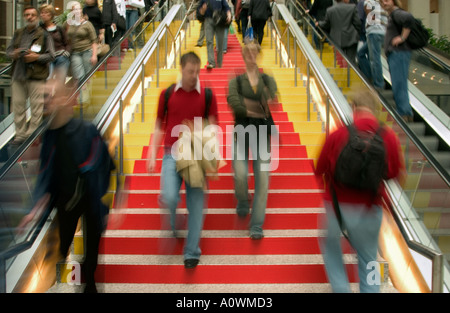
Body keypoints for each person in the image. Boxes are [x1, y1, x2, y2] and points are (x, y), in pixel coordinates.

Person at [17, 82, 115, 293]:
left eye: (50, 97)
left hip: (90, 199)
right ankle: (70, 271)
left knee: (91, 252)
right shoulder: (50, 137)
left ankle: (89, 283)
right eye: (44, 98)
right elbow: (44, 174)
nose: (46, 102)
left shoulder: (86, 130)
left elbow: (106, 162)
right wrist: (34, 210)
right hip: (66, 201)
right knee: (63, 246)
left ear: (65, 100)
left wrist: (112, 194)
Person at [315, 89, 405, 293]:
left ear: (353, 108)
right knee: (369, 258)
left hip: (337, 208)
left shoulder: (339, 133)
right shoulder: (388, 137)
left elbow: (319, 168)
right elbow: (394, 174)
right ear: (375, 110)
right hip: (370, 209)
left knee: (330, 248)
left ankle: (341, 289)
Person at [146, 52, 219, 269]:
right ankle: (174, 222)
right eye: (190, 72)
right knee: (168, 196)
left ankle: (192, 251)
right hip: (171, 153)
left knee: (196, 204)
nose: (194, 76)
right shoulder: (167, 94)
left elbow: (213, 127)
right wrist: (152, 153)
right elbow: (159, 125)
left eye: (196, 72)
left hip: (196, 155)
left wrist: (203, 140)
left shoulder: (207, 95)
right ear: (181, 69)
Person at [227, 42, 278, 240]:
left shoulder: (267, 78)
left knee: (262, 180)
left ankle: (256, 224)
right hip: (241, 131)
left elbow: (272, 99)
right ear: (242, 54)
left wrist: (247, 104)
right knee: (240, 174)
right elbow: (235, 105)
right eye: (247, 51)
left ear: (258, 54)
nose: (251, 54)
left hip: (263, 132)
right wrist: (257, 105)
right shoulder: (236, 80)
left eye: (254, 51)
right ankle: (241, 199)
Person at [6, 6, 55, 145]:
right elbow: (8, 51)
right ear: (24, 16)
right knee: (18, 106)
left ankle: (31, 136)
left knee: (36, 107)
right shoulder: (18, 33)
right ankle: (20, 135)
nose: (30, 17)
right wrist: (14, 54)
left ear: (37, 17)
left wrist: (36, 57)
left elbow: (51, 55)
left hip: (36, 76)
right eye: (27, 15)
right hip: (18, 74)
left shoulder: (44, 34)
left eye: (33, 15)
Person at [380, 0, 413, 122]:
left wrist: (402, 37)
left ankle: (403, 112)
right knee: (399, 82)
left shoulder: (396, 13)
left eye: (387, 0)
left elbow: (408, 18)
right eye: (381, 1)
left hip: (399, 53)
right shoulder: (392, 15)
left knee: (399, 83)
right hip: (397, 53)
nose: (384, 3)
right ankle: (404, 112)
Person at [65, 1, 98, 88]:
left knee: (88, 75)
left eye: (79, 9)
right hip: (75, 52)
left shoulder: (87, 24)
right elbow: (66, 37)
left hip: (87, 51)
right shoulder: (69, 23)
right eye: (75, 9)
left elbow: (94, 40)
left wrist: (94, 55)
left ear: (81, 10)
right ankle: (82, 98)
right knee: (78, 76)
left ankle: (88, 97)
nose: (77, 11)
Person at [39, 4, 70, 84]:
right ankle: (48, 96)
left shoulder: (59, 28)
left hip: (61, 56)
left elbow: (67, 42)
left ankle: (59, 96)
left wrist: (67, 52)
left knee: (60, 81)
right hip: (48, 58)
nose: (43, 15)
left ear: (51, 14)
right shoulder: (40, 29)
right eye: (41, 13)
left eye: (45, 12)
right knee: (48, 79)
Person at [197, 0, 231, 69]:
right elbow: (199, 12)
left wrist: (229, 13)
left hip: (219, 20)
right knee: (209, 41)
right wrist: (202, 10)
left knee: (220, 42)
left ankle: (219, 63)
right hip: (208, 20)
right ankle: (211, 63)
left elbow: (226, 7)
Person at [364, 0, 387, 89]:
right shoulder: (383, 2)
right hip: (383, 32)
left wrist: (368, 24)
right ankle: (369, 77)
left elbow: (370, 17)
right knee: (361, 53)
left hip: (374, 31)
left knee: (374, 59)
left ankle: (378, 84)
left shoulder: (369, 2)